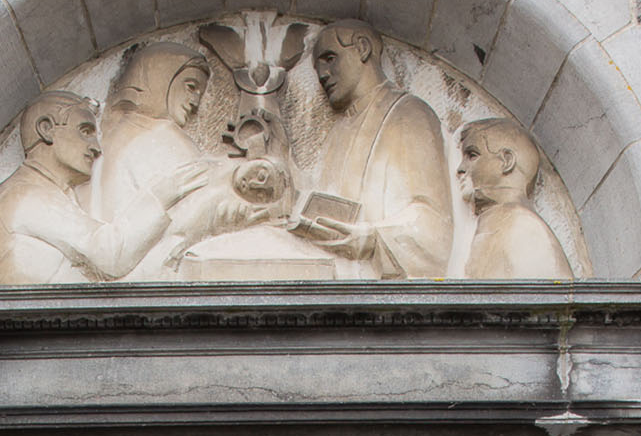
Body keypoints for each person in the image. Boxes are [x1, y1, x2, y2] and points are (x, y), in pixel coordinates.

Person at [0, 87, 209, 286]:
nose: (96, 148)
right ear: (46, 129)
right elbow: (110, 254)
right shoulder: (23, 195)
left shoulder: (48, 193)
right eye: (85, 131)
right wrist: (160, 195)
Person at [291, 19, 453, 278]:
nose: (322, 74)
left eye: (330, 58)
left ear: (363, 48)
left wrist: (371, 239)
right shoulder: (339, 130)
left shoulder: (408, 115)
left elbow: (433, 224)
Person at [95, 43, 266, 277]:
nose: (195, 102)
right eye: (191, 87)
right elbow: (201, 201)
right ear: (161, 80)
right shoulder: (159, 135)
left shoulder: (119, 134)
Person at [456, 117, 574, 282]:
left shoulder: (523, 226)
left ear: (507, 161)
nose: (460, 168)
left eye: (472, 155)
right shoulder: (498, 220)